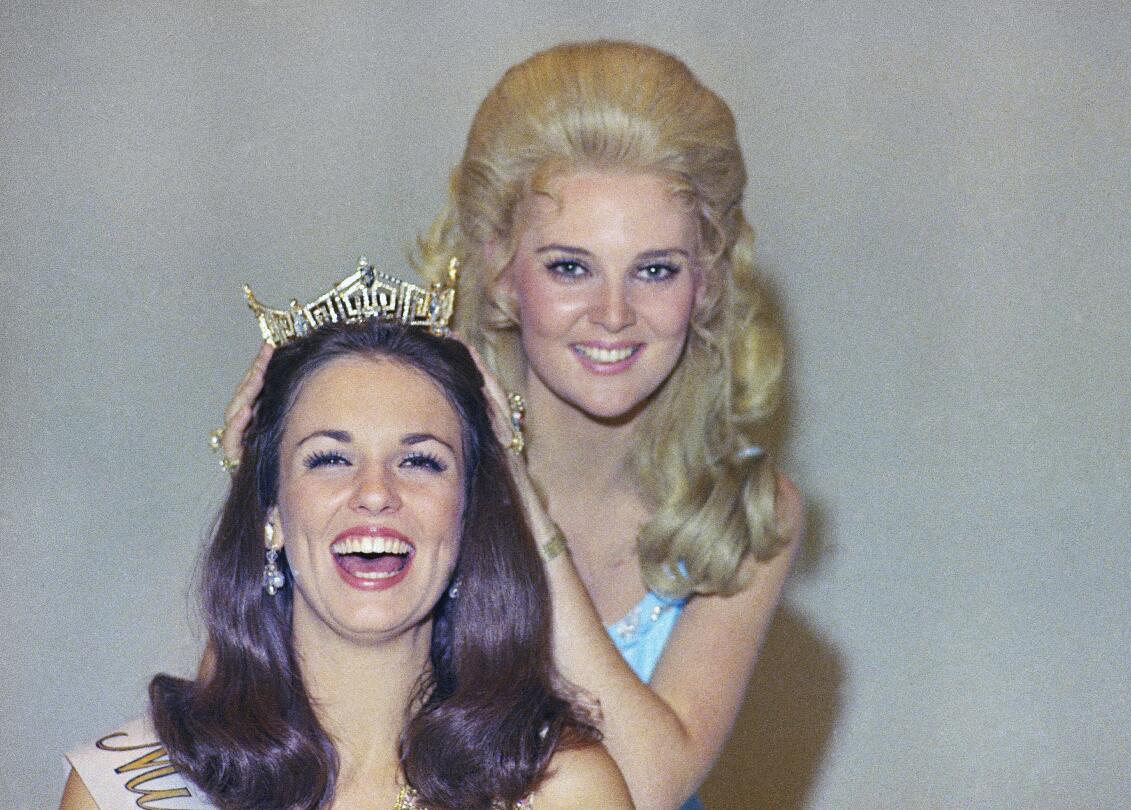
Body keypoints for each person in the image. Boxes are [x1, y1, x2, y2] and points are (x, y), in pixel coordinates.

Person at [216, 41, 803, 810]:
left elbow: (648, 788)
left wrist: (518, 505)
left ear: (709, 281)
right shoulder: (408, 473)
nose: (614, 315)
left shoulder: (751, 508)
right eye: (570, 267)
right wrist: (262, 500)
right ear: (498, 268)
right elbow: (231, 739)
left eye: (655, 269)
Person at [62, 318, 632, 810]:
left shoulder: (562, 790)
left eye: (420, 462)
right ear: (272, 513)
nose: (376, 493)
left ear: (468, 518)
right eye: (330, 459)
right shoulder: (126, 792)